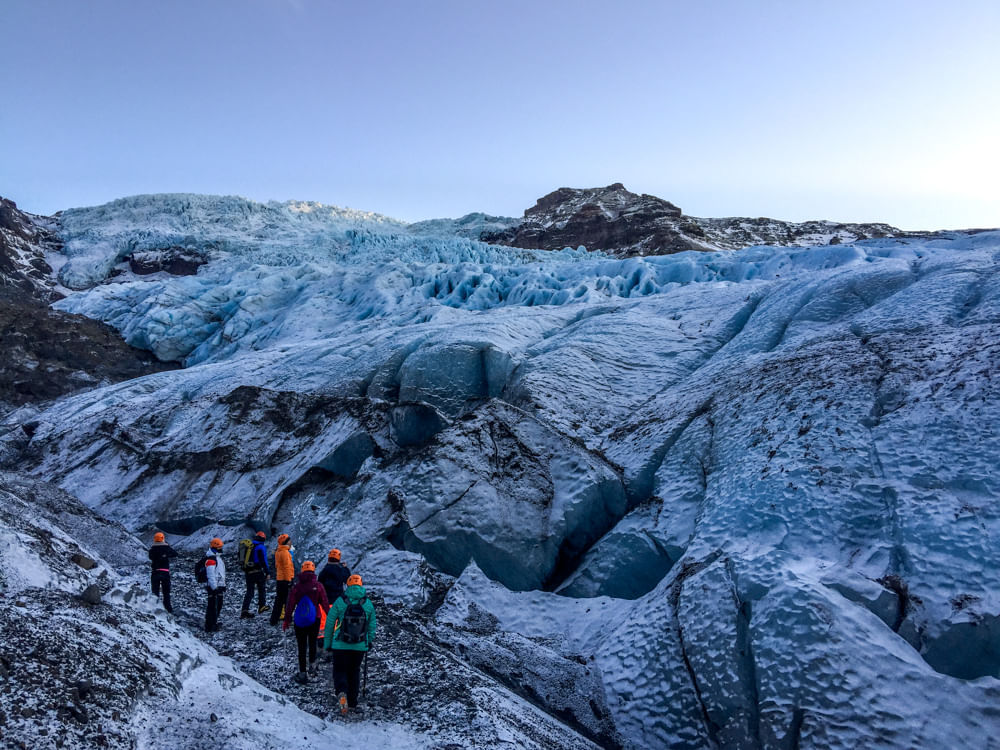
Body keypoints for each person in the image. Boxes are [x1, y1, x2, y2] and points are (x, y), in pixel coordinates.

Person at [324, 573, 376, 715]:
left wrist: (327, 643)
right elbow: (372, 626)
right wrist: (368, 641)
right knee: (354, 671)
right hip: (359, 646)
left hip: (340, 645)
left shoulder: (340, 601)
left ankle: (341, 693)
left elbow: (329, 624)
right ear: (361, 585)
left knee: (340, 669)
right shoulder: (367, 603)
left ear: (347, 585)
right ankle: (352, 702)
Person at [283, 560, 330, 683]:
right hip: (315, 618)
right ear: (314, 570)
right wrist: (331, 616)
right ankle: (312, 669)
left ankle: (302, 673)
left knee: (301, 645)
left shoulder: (297, 587)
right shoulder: (318, 586)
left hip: (300, 619)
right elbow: (324, 602)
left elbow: (290, 605)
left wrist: (286, 620)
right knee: (313, 642)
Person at [240, 531, 271, 619]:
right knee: (261, 589)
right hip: (258, 571)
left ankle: (244, 610)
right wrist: (267, 572)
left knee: (249, 591)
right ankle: (261, 606)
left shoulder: (249, 546)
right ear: (263, 539)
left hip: (248, 572)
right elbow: (264, 561)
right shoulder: (260, 547)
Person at [148, 532, 178, 613]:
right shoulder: (166, 548)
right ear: (163, 538)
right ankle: (168, 609)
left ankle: (155, 608)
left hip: (155, 572)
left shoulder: (152, 549)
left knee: (155, 592)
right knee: (166, 593)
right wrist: (167, 549)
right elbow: (175, 554)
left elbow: (150, 557)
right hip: (165, 572)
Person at [269, 533, 294, 625]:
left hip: (280, 579)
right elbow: (287, 567)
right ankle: (288, 619)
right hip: (285, 580)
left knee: (279, 600)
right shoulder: (285, 553)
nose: (291, 542)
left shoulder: (278, 552)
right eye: (289, 540)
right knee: (287, 600)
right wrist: (289, 580)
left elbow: (277, 566)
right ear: (286, 542)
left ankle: (273, 619)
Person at [204, 537, 227, 633]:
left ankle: (213, 623)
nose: (221, 548)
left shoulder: (217, 558)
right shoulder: (211, 559)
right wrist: (214, 587)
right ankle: (210, 626)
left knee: (218, 604)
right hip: (214, 587)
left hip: (219, 585)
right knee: (213, 605)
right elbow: (211, 574)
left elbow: (220, 573)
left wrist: (223, 585)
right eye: (220, 547)